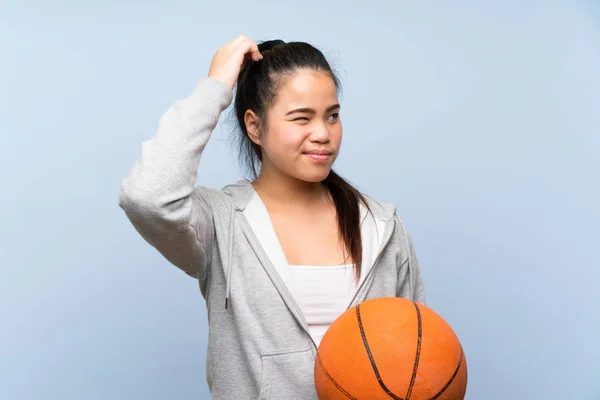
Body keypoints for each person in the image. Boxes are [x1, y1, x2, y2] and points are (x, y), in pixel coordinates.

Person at [118, 34, 425, 399]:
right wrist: (214, 89)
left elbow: (417, 360)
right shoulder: (221, 223)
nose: (323, 134)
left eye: (333, 115)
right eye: (302, 118)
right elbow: (147, 196)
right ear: (254, 126)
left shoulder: (382, 226)